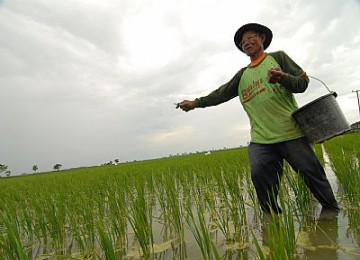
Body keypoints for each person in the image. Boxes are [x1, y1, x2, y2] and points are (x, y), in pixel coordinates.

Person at [177, 23, 340, 214]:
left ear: (262, 38)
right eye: (242, 41)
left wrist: (282, 78)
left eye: (250, 37)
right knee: (259, 175)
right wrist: (195, 103)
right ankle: (273, 223)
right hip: (261, 139)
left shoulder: (278, 57)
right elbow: (220, 94)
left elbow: (302, 83)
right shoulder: (242, 75)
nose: (246, 42)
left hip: (291, 132)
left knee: (313, 175)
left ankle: (332, 213)